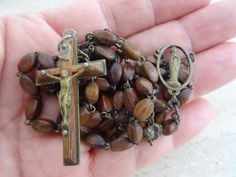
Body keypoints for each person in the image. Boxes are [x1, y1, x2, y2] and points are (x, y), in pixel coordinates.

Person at [0, 0, 236, 177]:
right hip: (75, 97)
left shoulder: (111, 79)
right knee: (69, 108)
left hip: (105, 98)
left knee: (75, 109)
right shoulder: (61, 76)